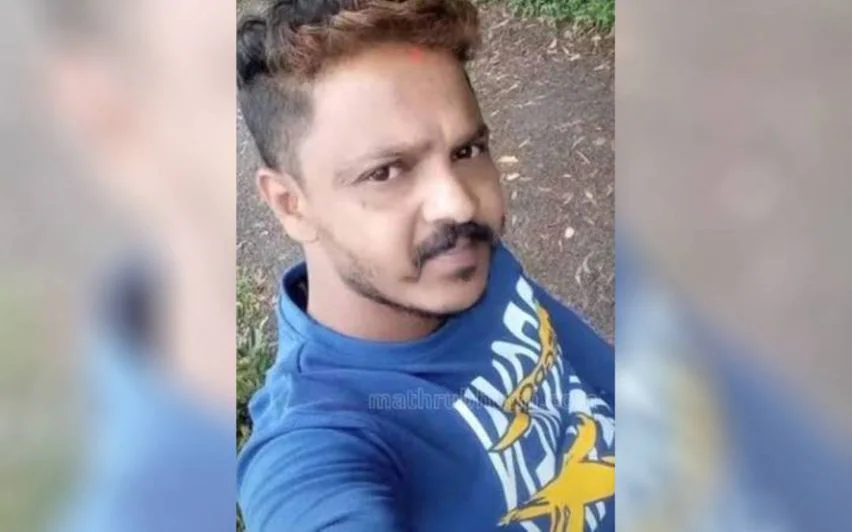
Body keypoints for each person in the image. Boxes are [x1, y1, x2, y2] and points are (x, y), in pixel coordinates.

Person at [236, 1, 614, 531]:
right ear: (290, 204)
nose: (458, 203)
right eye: (386, 172)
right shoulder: (317, 441)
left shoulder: (457, 264)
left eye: (467, 151)